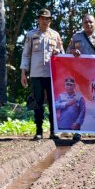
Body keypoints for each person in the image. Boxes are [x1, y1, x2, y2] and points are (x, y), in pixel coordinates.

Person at [20, 9, 64, 140]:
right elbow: (26, 54)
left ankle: (53, 131)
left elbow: (62, 53)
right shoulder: (31, 35)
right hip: (36, 74)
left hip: (52, 74)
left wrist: (58, 51)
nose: (45, 21)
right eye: (43, 18)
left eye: (48, 19)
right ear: (38, 19)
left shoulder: (55, 35)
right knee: (38, 103)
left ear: (50, 20)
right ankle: (39, 131)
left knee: (53, 104)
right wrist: (23, 72)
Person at [67, 14, 95, 140]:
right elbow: (68, 50)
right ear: (82, 24)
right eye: (86, 22)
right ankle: (78, 131)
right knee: (80, 104)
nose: (88, 24)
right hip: (80, 76)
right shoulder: (76, 37)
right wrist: (73, 52)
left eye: (91, 22)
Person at [54, 77, 85, 141]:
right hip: (63, 125)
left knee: (76, 141)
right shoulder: (61, 96)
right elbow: (55, 106)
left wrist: (78, 122)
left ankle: (77, 134)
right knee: (61, 142)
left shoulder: (79, 97)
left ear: (74, 86)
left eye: (71, 85)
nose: (69, 87)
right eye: (67, 85)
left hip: (75, 126)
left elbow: (83, 111)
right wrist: (66, 103)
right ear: (64, 86)